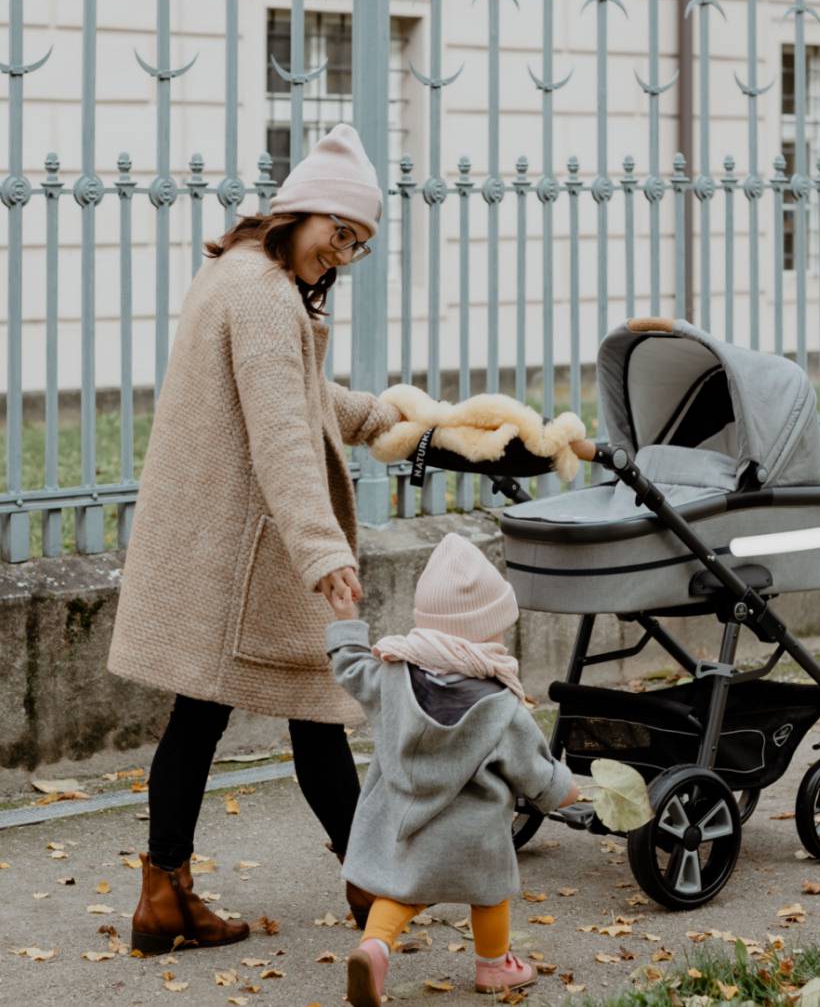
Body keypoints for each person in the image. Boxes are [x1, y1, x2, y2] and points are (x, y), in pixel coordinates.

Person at [107, 124, 402, 955]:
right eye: (339, 232)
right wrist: (323, 552)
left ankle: (165, 895)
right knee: (317, 704)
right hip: (250, 550)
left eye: (359, 245)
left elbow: (296, 393)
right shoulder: (268, 296)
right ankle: (371, 884)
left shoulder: (232, 274)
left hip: (211, 540)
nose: (341, 254)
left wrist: (381, 414)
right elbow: (279, 431)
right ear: (301, 211)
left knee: (202, 717)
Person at [325, 533, 580, 1005]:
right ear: (483, 631)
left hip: (411, 827)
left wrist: (346, 623)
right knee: (490, 894)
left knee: (400, 895)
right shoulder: (501, 705)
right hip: (476, 836)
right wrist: (568, 792)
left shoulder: (393, 674)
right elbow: (535, 773)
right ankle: (495, 967)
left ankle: (374, 947)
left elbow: (351, 668)